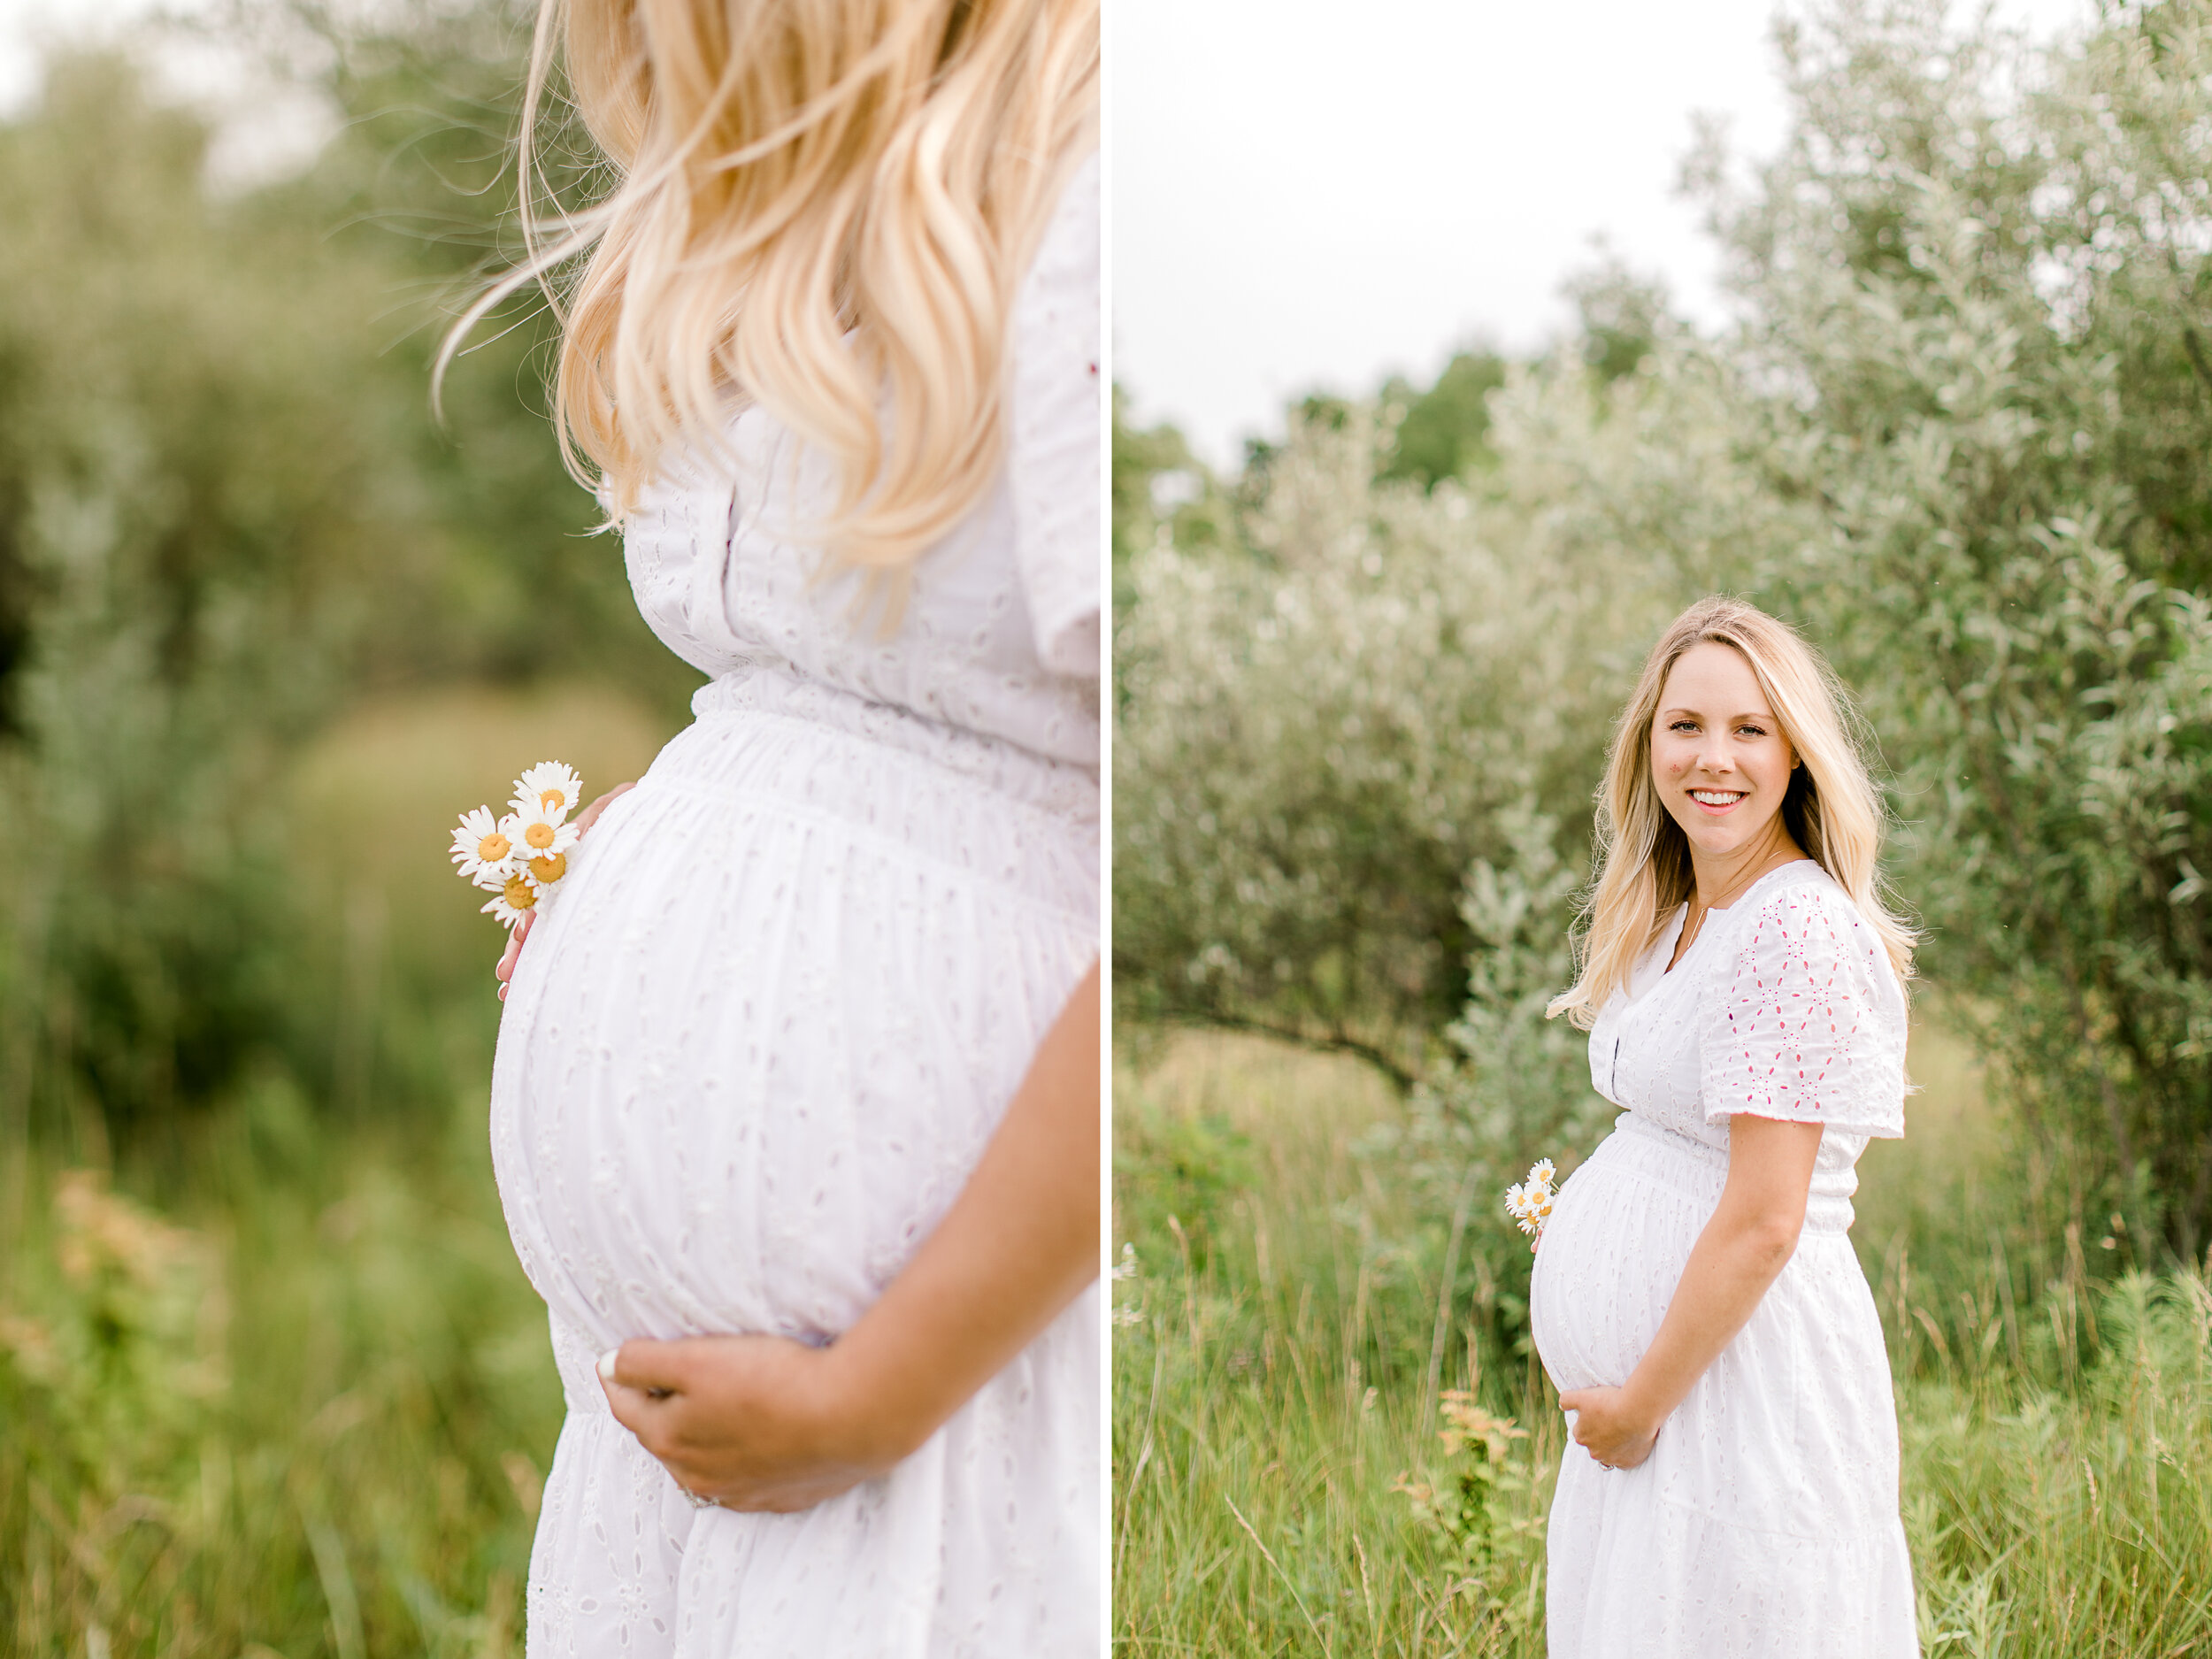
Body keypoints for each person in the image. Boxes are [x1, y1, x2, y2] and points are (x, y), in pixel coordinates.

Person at [454, 0, 1102, 1651]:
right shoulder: (776, 213)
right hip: (673, 1479)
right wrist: (674, 867)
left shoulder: (1082, 207)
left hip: (928, 1422)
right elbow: (830, 705)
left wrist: (885, 1389)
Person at [1532, 595, 1918, 1657]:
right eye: (1686, 726)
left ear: (1795, 752)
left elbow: (1762, 1219)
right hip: (1664, 1410)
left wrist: (1638, 1404)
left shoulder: (1791, 923)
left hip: (1733, 1394)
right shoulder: (1676, 914)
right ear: (1647, 742)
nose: (1715, 759)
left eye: (1749, 729)